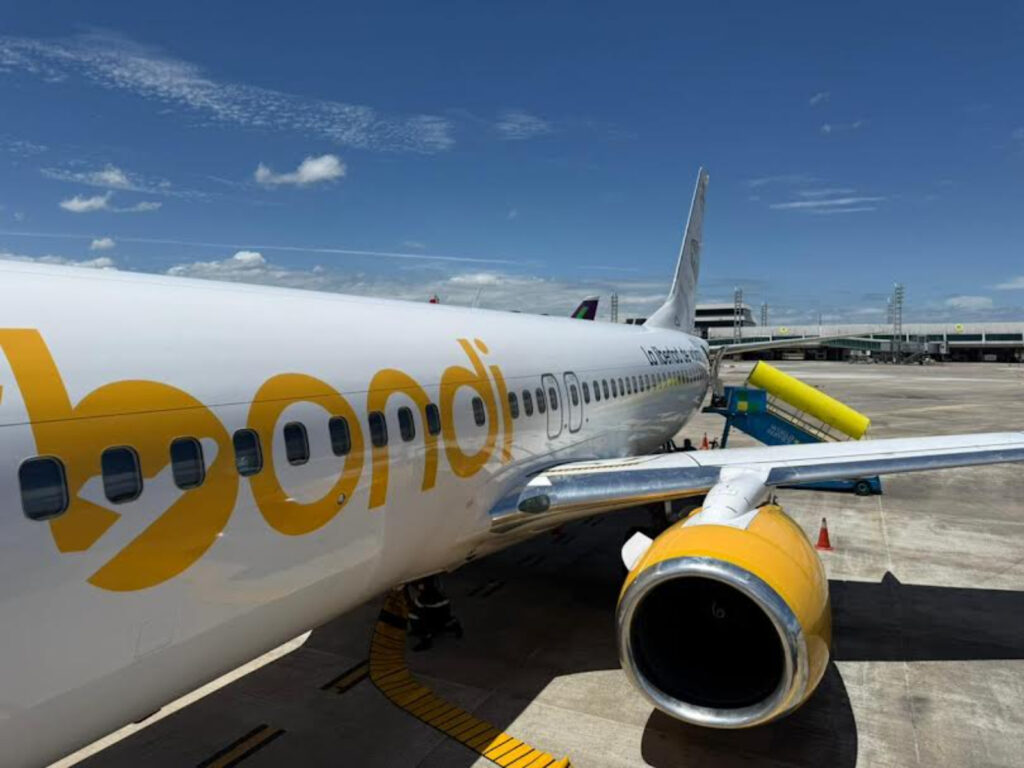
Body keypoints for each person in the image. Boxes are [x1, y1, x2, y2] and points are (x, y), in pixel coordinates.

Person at [406, 575, 463, 651]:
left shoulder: (423, 598)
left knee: (412, 615)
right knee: (441, 618)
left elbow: (416, 610)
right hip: (443, 617)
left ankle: (426, 640)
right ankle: (454, 626)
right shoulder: (439, 593)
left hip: (432, 621)